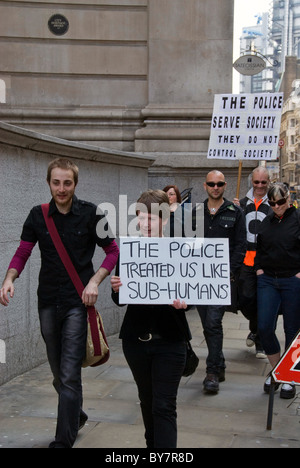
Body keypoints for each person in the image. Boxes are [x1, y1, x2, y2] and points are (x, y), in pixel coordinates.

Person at [0, 158, 119, 448]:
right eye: (56, 182)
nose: (61, 188)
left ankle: (63, 441)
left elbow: (113, 251)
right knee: (58, 373)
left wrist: (94, 282)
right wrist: (9, 279)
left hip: (78, 302)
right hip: (48, 302)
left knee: (68, 373)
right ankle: (75, 414)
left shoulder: (92, 213)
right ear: (49, 183)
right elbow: (23, 251)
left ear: (75, 184)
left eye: (67, 183)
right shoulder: (37, 215)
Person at [111, 190, 191, 448]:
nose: (145, 224)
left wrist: (185, 301)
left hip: (171, 341)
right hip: (136, 341)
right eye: (140, 217)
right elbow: (120, 300)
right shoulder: (129, 250)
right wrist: (117, 287)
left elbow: (196, 290)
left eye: (152, 218)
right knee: (147, 401)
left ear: (165, 220)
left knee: (164, 405)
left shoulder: (180, 251)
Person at [195, 171, 246, 394]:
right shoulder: (195, 213)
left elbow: (240, 246)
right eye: (211, 184)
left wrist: (230, 273)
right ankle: (221, 364)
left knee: (213, 323)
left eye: (219, 184)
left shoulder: (235, 212)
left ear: (225, 186)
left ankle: (212, 372)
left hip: (221, 279)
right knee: (208, 325)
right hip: (198, 279)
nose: (215, 187)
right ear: (205, 186)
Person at [255, 182, 300, 400]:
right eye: (272, 203)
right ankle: (276, 369)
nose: (277, 206)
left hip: (292, 279)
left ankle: (288, 376)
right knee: (264, 326)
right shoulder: (267, 220)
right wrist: (259, 269)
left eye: (280, 202)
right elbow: (259, 246)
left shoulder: (297, 218)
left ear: (288, 199)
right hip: (269, 279)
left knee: (292, 329)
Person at [234, 167, 272, 359]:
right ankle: (255, 327)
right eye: (256, 182)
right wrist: (234, 209)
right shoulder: (241, 204)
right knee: (247, 298)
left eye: (263, 182)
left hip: (265, 263)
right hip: (246, 262)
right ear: (251, 182)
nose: (259, 186)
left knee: (264, 301)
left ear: (268, 182)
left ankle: (259, 340)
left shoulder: (273, 204)